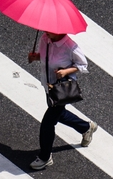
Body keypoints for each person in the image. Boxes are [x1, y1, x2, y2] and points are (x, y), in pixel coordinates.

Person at [28, 31, 97, 170]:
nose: (47, 32)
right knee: (59, 114)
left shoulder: (70, 46)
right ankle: (86, 127)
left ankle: (45, 157)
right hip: (48, 85)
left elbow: (82, 64)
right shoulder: (45, 39)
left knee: (47, 123)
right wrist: (36, 57)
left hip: (61, 88)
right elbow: (47, 57)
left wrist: (66, 71)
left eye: (50, 30)